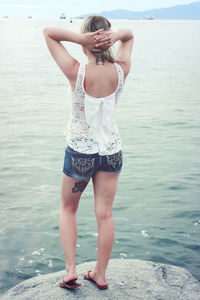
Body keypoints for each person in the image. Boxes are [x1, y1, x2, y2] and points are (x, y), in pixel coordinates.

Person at [43, 15, 133, 290]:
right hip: (111, 151)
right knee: (104, 213)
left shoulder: (75, 70)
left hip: (81, 152)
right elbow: (129, 35)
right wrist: (115, 35)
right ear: (106, 40)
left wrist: (80, 39)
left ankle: (71, 270)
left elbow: (49, 32)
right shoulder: (121, 69)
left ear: (86, 42)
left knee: (68, 209)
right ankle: (100, 274)